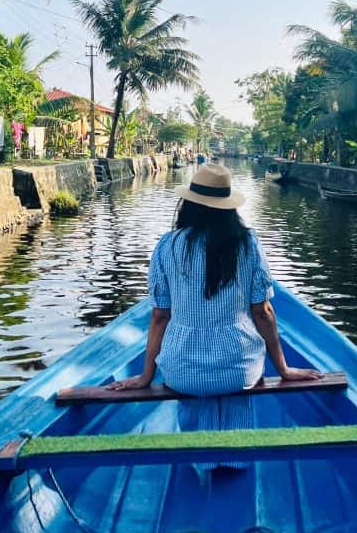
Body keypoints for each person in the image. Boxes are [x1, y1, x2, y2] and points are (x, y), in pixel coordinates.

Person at [108, 164, 321, 455]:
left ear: (190, 205)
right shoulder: (247, 243)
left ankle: (199, 453)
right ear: (227, 206)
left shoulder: (167, 246)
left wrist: (146, 376)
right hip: (240, 370)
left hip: (182, 373)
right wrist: (283, 368)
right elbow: (263, 313)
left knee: (196, 385)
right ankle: (235, 454)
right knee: (233, 382)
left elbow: (159, 316)